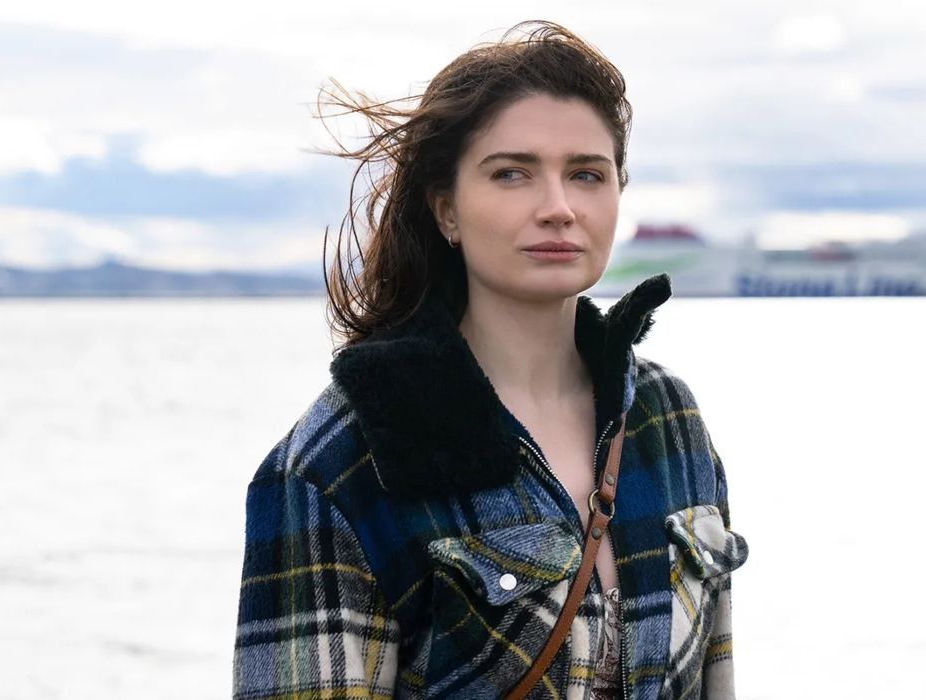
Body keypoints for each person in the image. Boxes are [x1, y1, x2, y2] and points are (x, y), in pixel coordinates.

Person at [232, 20, 748, 700]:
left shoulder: (665, 418)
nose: (559, 207)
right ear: (447, 209)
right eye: (513, 173)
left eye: (586, 174)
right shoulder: (346, 457)